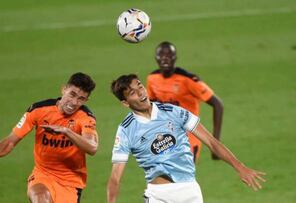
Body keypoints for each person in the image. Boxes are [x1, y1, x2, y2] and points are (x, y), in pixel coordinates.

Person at [107, 74, 265, 203]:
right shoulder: (126, 130)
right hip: (159, 196)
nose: (141, 92)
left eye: (140, 86)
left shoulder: (174, 112)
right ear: (125, 103)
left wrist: (240, 167)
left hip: (190, 191)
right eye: (132, 92)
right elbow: (115, 177)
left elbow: (211, 141)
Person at [0, 72, 99, 203]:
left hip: (71, 180)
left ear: (86, 101)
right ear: (64, 89)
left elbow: (92, 147)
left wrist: (66, 131)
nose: (74, 102)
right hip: (43, 174)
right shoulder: (38, 110)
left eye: (81, 99)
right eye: (72, 94)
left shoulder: (85, 117)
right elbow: (12, 140)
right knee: (40, 198)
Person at [146, 41, 224, 162]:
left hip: (189, 136)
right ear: (156, 58)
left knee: (182, 177)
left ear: (175, 58)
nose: (165, 59)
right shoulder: (152, 79)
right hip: (165, 137)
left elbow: (218, 104)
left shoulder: (188, 80)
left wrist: (216, 145)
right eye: (161, 55)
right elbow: (149, 107)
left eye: (169, 55)